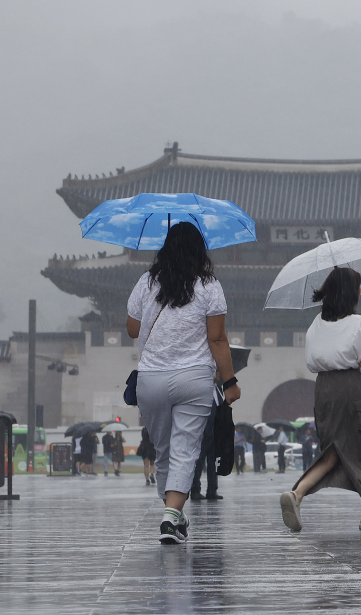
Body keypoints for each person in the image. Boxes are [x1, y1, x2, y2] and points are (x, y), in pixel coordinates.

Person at [127, 222, 241, 545]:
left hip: (150, 379)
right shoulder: (209, 286)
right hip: (194, 379)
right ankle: (170, 517)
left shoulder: (146, 282)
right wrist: (230, 381)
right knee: (185, 449)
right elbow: (217, 338)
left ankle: (173, 514)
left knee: (163, 450)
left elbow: (132, 329)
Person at [279, 267, 361, 532]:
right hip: (349, 387)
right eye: (358, 287)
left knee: (332, 451)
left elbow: (311, 361)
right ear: (350, 292)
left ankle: (297, 494)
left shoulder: (316, 322)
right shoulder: (358, 322)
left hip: (324, 388)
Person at [190, 405, 222, 501]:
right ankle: (195, 490)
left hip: (215, 435)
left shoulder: (219, 394)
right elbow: (196, 413)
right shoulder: (201, 392)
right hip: (202, 435)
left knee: (213, 464)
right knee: (199, 463)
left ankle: (212, 491)